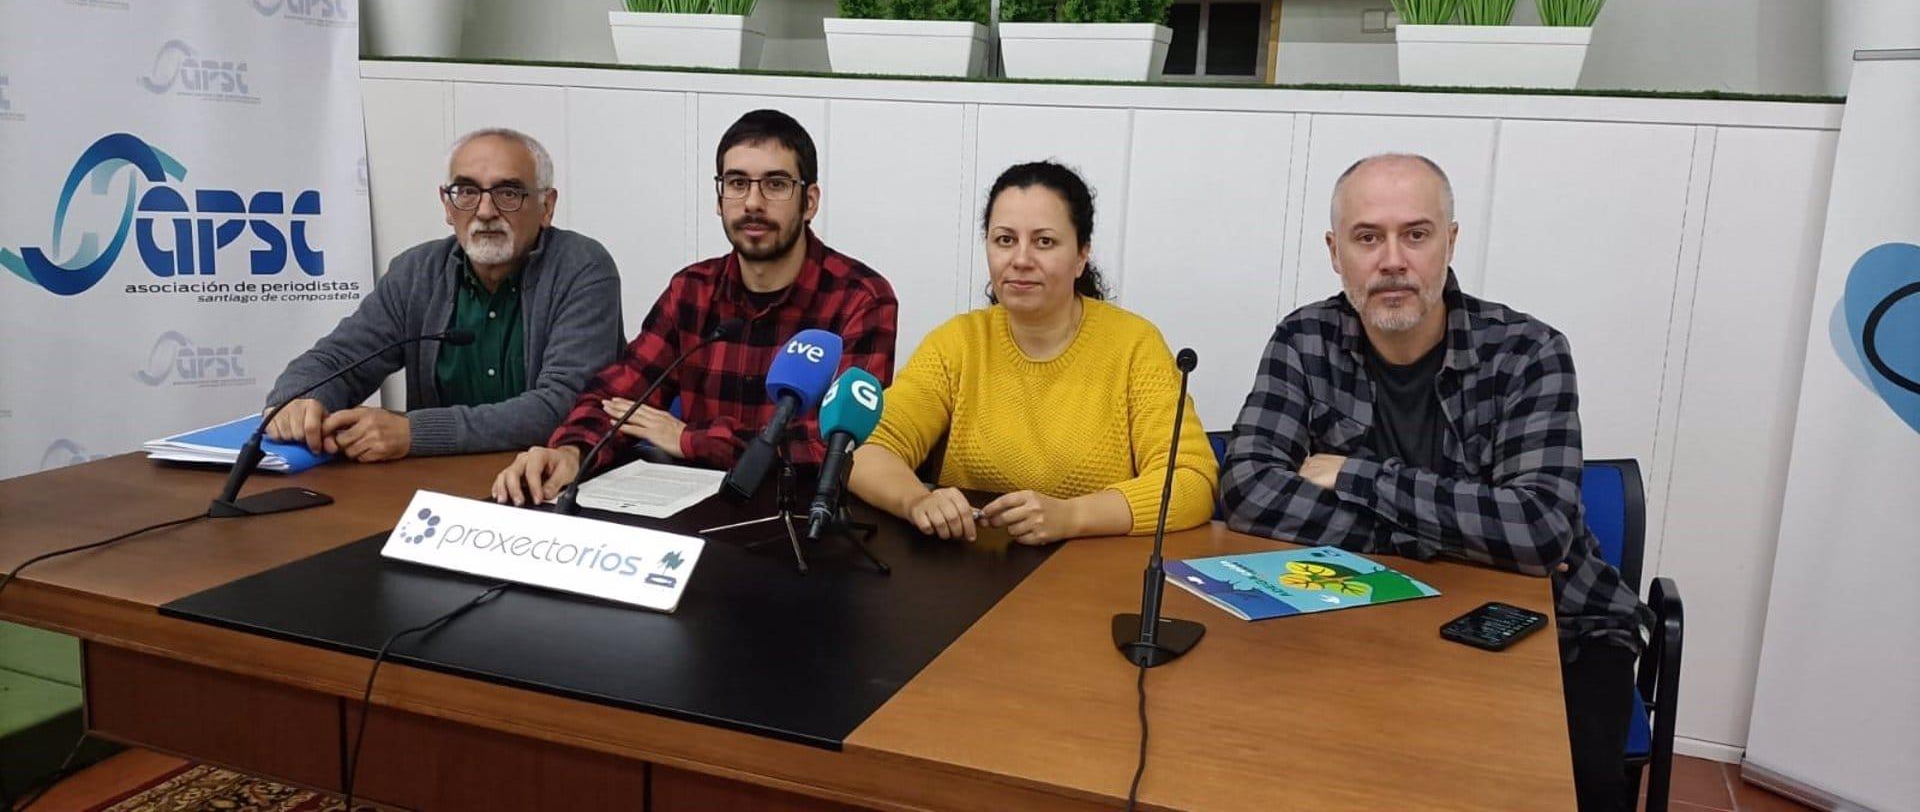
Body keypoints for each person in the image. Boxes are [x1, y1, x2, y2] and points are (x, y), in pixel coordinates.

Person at [1220, 153, 1651, 812]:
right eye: (1368, 237)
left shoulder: (1529, 352)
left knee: (1565, 794)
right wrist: (1448, 537)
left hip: (1554, 628)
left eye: (1416, 235)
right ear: (1336, 253)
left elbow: (1537, 533)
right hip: (1363, 616)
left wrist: (1357, 477)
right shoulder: (1304, 339)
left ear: (1450, 243)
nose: (1392, 259)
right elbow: (1247, 488)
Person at [494, 109, 897, 505]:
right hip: (698, 513)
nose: (752, 202)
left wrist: (690, 439)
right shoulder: (693, 290)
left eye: (775, 184)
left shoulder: (861, 298)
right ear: (720, 199)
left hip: (801, 518)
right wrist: (571, 451)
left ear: (809, 202)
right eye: (737, 183)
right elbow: (618, 396)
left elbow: (835, 443)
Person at [846, 161, 1216, 545]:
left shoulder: (1134, 345)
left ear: (1081, 256)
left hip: (1088, 571)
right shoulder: (958, 342)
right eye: (1005, 240)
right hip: (972, 570)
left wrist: (1072, 516)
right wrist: (916, 501)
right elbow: (865, 448)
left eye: (1044, 242)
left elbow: (1192, 481)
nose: (1020, 259)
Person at [264, 128, 622, 461]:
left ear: (546, 206)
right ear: (447, 206)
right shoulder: (416, 271)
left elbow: (565, 405)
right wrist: (299, 400)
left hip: (548, 477)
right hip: (439, 480)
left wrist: (415, 432)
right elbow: (337, 360)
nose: (485, 211)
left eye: (508, 193)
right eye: (466, 192)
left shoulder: (582, 268)